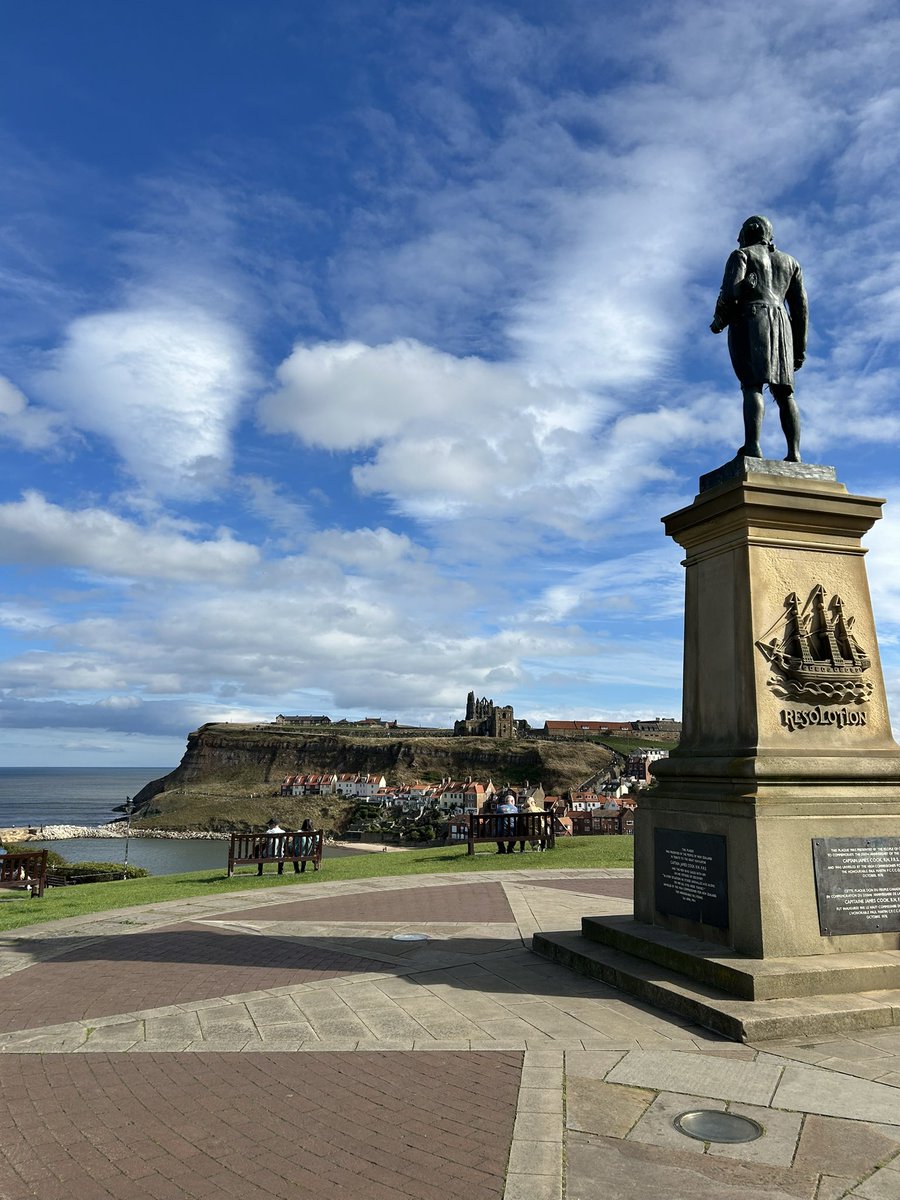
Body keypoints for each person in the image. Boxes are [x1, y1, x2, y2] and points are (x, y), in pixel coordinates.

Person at [710, 215, 808, 463]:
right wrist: (799, 346)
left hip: (751, 318)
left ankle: (753, 446)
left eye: (740, 232)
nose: (737, 238)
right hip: (782, 323)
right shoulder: (790, 262)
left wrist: (718, 320)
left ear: (750, 232)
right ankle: (794, 453)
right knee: (785, 393)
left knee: (752, 386)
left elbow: (730, 292)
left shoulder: (741, 255)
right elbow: (801, 309)